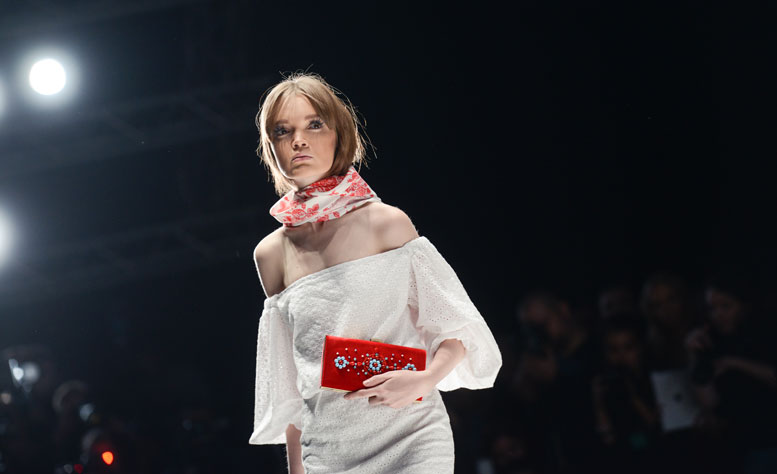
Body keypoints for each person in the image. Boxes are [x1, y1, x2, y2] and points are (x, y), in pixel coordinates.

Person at [246, 72, 503, 474]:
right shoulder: (270, 254)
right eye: (283, 131)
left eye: (314, 124)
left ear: (339, 134)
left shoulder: (387, 224)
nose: (299, 140)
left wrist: (425, 379)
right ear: (270, 147)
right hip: (328, 454)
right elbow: (290, 389)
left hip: (412, 436)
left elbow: (454, 330)